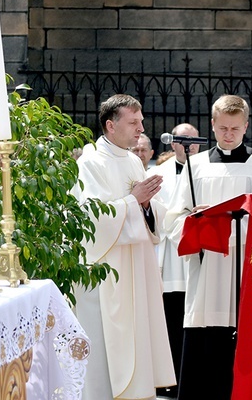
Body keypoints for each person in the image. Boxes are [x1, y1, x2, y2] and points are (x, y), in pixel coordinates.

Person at [165, 95, 252, 400]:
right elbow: (174, 218)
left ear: (246, 126)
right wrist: (196, 223)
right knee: (204, 333)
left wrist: (232, 221)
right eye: (223, 127)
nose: (229, 134)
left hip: (245, 267)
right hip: (206, 266)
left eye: (235, 128)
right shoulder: (196, 165)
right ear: (212, 125)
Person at [72, 94, 176, 399]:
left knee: (136, 336)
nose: (141, 129)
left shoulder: (132, 160)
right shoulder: (90, 162)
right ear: (110, 125)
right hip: (107, 274)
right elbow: (90, 219)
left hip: (136, 268)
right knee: (108, 345)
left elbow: (148, 212)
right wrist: (135, 201)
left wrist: (145, 205)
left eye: (141, 122)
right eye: (133, 122)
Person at [148, 122, 200, 399]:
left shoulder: (207, 168)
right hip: (169, 258)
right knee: (170, 318)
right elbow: (152, 213)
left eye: (193, 140)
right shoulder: (158, 173)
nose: (188, 145)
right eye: (182, 140)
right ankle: (170, 379)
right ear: (172, 143)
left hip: (199, 254)